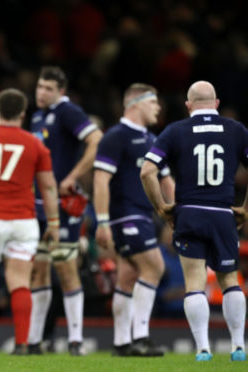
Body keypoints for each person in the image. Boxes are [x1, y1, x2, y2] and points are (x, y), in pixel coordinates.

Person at [140, 81, 247, 362]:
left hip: (189, 213)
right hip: (224, 214)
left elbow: (147, 171)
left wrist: (162, 208)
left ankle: (203, 349)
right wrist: (245, 208)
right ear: (217, 103)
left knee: (194, 282)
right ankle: (238, 346)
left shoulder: (175, 130)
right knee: (230, 280)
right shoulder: (236, 130)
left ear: (188, 106)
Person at [0, 88, 60, 355]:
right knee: (20, 281)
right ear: (24, 114)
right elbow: (48, 187)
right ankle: (22, 343)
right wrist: (55, 222)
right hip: (24, 221)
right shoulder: (35, 144)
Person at [93, 83, 175, 356]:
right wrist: (103, 221)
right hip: (125, 215)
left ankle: (121, 342)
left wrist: (174, 211)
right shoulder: (116, 136)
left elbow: (166, 179)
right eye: (154, 103)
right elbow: (101, 179)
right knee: (155, 266)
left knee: (127, 278)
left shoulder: (152, 139)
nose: (158, 108)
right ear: (137, 103)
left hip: (143, 215)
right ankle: (140, 337)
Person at [28, 66, 102, 355]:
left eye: (48, 88)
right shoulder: (37, 117)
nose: (42, 92)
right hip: (38, 204)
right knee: (39, 269)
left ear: (60, 91)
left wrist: (72, 177)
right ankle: (35, 340)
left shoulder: (67, 111)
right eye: (40, 87)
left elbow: (96, 140)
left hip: (63, 204)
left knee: (66, 269)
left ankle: (75, 341)